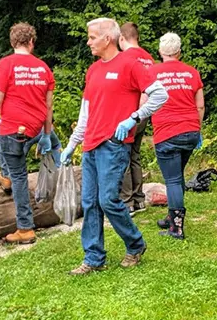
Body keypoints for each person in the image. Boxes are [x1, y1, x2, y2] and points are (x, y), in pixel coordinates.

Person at [60, 18, 168, 275]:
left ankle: (135, 244)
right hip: (91, 145)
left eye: (92, 37)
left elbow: (161, 94)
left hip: (114, 144)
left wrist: (134, 116)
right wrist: (72, 143)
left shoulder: (130, 64)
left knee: (108, 200)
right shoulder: (93, 70)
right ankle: (93, 258)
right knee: (90, 203)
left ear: (107, 38)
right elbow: (86, 112)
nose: (88, 42)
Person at [0, 22, 55, 244]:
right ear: (32, 42)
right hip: (36, 128)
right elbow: (49, 106)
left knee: (19, 176)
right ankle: (6, 175)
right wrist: (47, 134)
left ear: (12, 42)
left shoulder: (6, 64)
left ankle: (25, 228)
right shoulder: (43, 68)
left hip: (14, 130)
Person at [145, 32, 204, 240]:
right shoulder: (192, 73)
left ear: (160, 51)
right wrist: (198, 128)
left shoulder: (152, 73)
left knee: (172, 179)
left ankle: (176, 228)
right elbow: (200, 105)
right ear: (179, 52)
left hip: (166, 132)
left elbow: (144, 103)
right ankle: (172, 217)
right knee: (177, 176)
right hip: (190, 131)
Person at [117, 22, 154, 215]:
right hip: (145, 113)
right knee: (135, 155)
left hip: (129, 114)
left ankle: (127, 201)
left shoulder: (124, 58)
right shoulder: (148, 58)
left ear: (122, 38)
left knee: (123, 156)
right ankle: (139, 199)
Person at [0, 120, 63, 192]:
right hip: (39, 127)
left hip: (19, 131)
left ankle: (7, 176)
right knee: (55, 145)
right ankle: (61, 172)